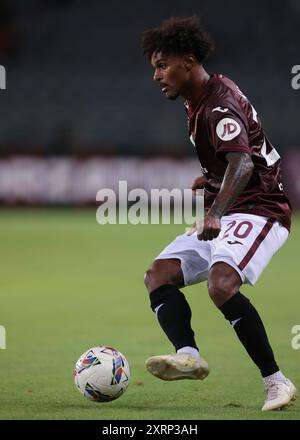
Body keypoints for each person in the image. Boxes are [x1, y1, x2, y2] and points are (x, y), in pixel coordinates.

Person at [141, 15, 297, 411]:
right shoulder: (201, 98)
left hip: (260, 209)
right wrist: (211, 178)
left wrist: (215, 211)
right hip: (233, 207)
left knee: (221, 283)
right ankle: (188, 355)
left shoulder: (218, 105)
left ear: (188, 61)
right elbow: (236, 159)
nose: (157, 75)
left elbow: (243, 166)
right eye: (154, 67)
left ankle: (276, 382)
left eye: (162, 65)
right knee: (158, 275)